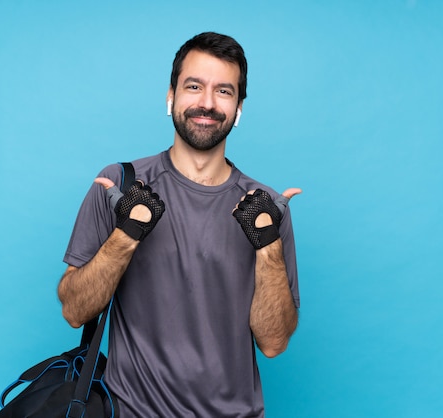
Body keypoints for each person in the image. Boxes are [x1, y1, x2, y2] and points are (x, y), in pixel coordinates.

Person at [58, 31, 301, 417]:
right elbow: (74, 311)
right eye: (194, 86)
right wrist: (127, 234)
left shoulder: (264, 208)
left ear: (239, 108)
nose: (207, 103)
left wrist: (268, 245)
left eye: (224, 91)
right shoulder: (120, 185)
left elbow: (273, 343)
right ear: (170, 96)